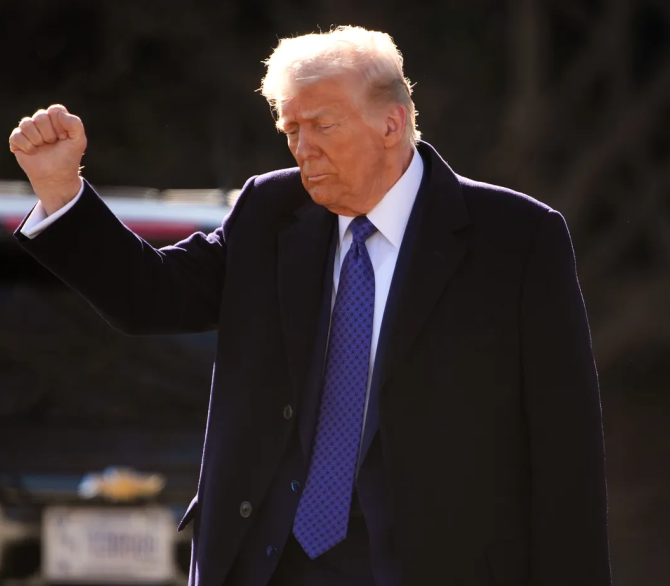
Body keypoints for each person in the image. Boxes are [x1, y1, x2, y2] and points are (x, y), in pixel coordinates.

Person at [8, 26, 610, 586]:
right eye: (291, 129)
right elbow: (150, 297)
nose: (303, 148)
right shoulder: (271, 211)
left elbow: (565, 449)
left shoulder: (516, 238)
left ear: (392, 124)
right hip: (264, 561)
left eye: (322, 125)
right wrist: (62, 191)